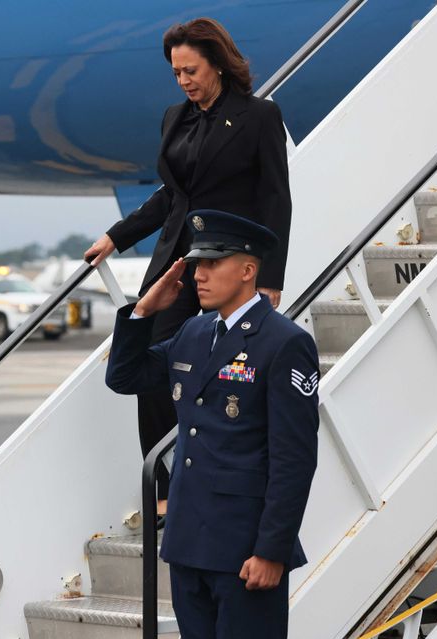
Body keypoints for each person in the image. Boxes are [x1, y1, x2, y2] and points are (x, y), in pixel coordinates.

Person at [85, 17, 292, 511]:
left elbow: (276, 200)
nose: (183, 81)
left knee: (235, 369)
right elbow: (170, 198)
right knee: (154, 355)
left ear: (217, 63)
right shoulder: (174, 117)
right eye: (176, 72)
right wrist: (117, 236)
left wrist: (270, 277)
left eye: (191, 70)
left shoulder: (259, 117)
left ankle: (219, 474)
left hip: (228, 261)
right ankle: (163, 485)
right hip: (176, 260)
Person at [105, 210, 317, 639]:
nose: (198, 275)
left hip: (244, 549)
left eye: (211, 264)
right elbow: (124, 379)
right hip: (188, 543)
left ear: (246, 270)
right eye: (197, 264)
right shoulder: (194, 332)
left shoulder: (283, 342)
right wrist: (143, 311)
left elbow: (293, 458)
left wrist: (272, 551)